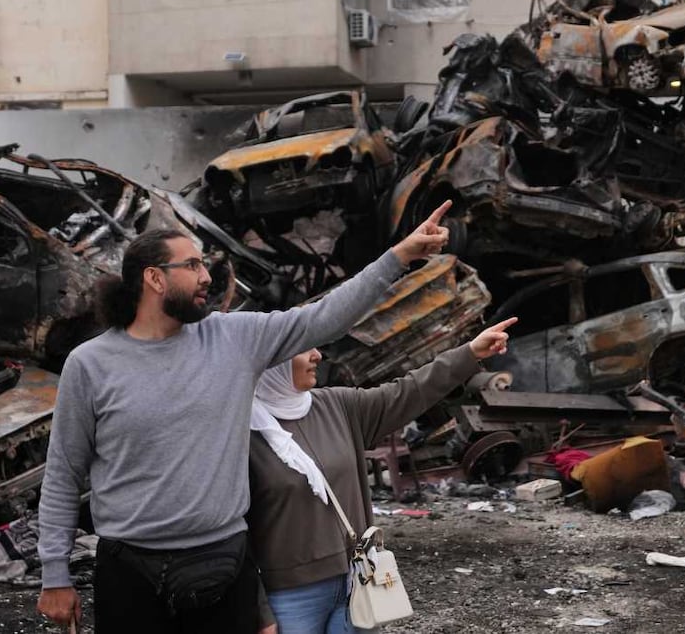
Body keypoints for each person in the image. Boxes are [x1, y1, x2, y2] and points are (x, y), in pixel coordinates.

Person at [36, 201, 454, 633]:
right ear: (155, 278)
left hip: (221, 561)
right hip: (129, 572)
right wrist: (55, 575)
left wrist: (398, 257)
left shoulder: (233, 337)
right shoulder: (90, 364)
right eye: (193, 265)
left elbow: (324, 317)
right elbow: (65, 472)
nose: (206, 277)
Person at [247, 316, 518, 633]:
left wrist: (469, 353)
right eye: (303, 348)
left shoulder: (338, 406)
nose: (317, 355)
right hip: (290, 597)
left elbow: (410, 391)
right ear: (271, 360)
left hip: (358, 579)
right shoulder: (240, 432)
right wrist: (258, 610)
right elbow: (234, 534)